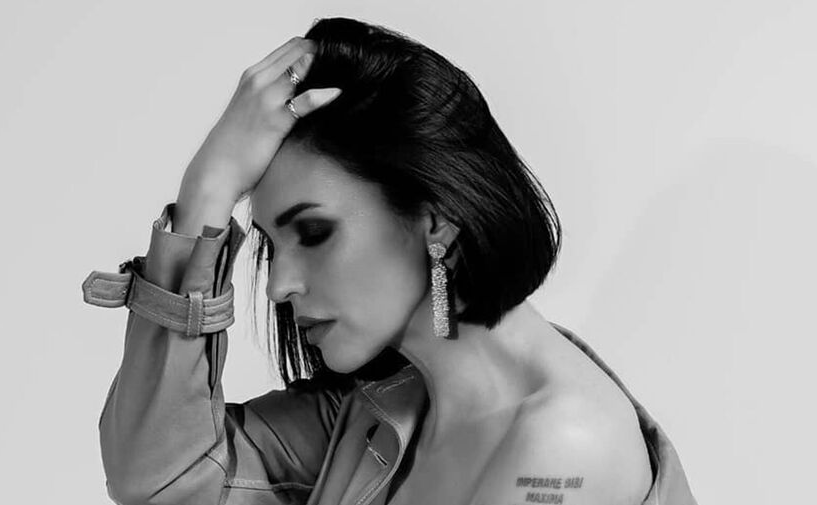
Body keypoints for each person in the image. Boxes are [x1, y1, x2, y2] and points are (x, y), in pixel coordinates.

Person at [82, 17, 698, 505]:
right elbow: (160, 476)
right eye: (271, 245)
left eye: (314, 232)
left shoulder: (563, 450)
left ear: (435, 222)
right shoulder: (382, 409)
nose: (277, 286)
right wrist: (206, 193)